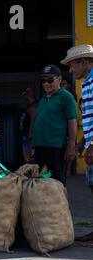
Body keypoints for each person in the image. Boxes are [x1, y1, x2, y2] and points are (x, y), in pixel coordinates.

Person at [62, 44, 93, 246]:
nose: (71, 71)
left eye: (73, 66)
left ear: (84, 62)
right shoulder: (87, 83)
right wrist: (82, 143)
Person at [30, 64, 77, 185]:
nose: (46, 83)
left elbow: (72, 121)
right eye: (43, 80)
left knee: (56, 182)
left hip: (55, 147)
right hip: (40, 147)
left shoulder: (66, 97)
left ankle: (60, 204)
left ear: (59, 79)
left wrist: (71, 145)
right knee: (40, 181)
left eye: (50, 80)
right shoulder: (43, 99)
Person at [20, 88, 37, 162]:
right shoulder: (28, 105)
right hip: (25, 132)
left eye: (27, 94)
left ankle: (31, 170)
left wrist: (30, 133)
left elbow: (33, 119)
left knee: (29, 153)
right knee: (26, 152)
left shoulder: (34, 105)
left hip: (29, 134)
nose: (25, 96)